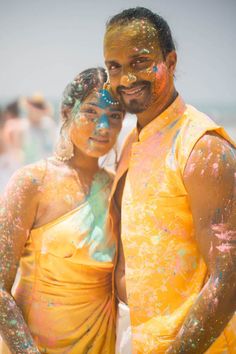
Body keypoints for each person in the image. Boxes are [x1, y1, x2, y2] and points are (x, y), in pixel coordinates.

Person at [104, 7, 236, 354]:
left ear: (171, 61)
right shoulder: (132, 142)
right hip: (135, 336)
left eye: (140, 61)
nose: (126, 78)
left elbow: (230, 279)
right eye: (114, 66)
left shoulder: (201, 147)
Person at [0, 67, 124, 354]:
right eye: (91, 112)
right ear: (67, 112)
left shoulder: (118, 188)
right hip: (33, 345)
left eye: (114, 116)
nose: (103, 126)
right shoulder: (33, 182)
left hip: (101, 344)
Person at [21, 93, 57, 164]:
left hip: (48, 166)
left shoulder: (49, 124)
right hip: (28, 168)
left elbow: (55, 145)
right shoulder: (22, 127)